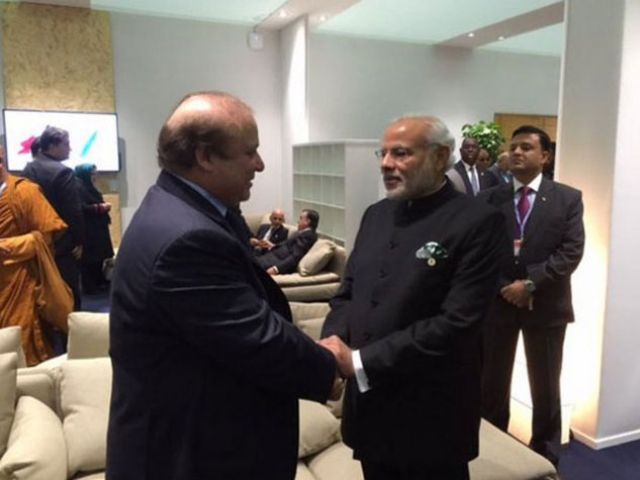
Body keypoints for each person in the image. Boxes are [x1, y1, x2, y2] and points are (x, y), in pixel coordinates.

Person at [106, 91, 338, 480]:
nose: (260, 164)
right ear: (205, 157)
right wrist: (328, 366)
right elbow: (256, 338)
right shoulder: (187, 239)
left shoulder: (184, 207)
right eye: (250, 152)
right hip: (194, 459)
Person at [320, 116, 507, 480]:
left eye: (401, 153)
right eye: (384, 152)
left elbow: (457, 323)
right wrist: (332, 346)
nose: (386, 163)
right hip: (370, 410)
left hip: (432, 415)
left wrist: (358, 361)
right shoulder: (376, 215)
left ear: (440, 157)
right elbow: (348, 293)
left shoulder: (478, 221)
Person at [479, 125, 584, 466]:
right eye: (514, 147)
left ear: (545, 156)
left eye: (526, 147)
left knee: (546, 386)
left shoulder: (567, 198)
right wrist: (504, 287)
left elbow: (571, 251)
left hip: (546, 306)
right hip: (499, 305)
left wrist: (530, 284)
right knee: (492, 382)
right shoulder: (489, 198)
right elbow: (479, 253)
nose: (517, 153)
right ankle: (493, 448)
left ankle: (545, 454)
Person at [0, 145, 72, 365]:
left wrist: (11, 246)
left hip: (20, 284)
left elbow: (46, 237)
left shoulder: (24, 192)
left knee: (22, 349)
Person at [23, 126, 84, 311]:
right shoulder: (62, 172)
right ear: (52, 145)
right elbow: (73, 211)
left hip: (36, 242)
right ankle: (72, 338)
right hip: (62, 244)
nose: (70, 148)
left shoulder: (28, 169)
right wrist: (80, 241)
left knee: (43, 296)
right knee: (69, 294)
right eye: (66, 144)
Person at [74, 163, 114, 294]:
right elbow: (82, 208)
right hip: (89, 229)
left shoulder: (88, 187)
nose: (96, 176)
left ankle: (99, 281)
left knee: (99, 257)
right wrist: (101, 207)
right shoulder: (79, 187)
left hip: (97, 228)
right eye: (93, 173)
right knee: (90, 259)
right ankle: (91, 287)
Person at [255, 208, 318, 275]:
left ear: (307, 221)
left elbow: (295, 257)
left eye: (300, 218)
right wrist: (273, 246)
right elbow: (286, 245)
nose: (298, 221)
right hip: (270, 256)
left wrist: (276, 269)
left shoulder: (308, 236)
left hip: (275, 262)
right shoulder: (302, 234)